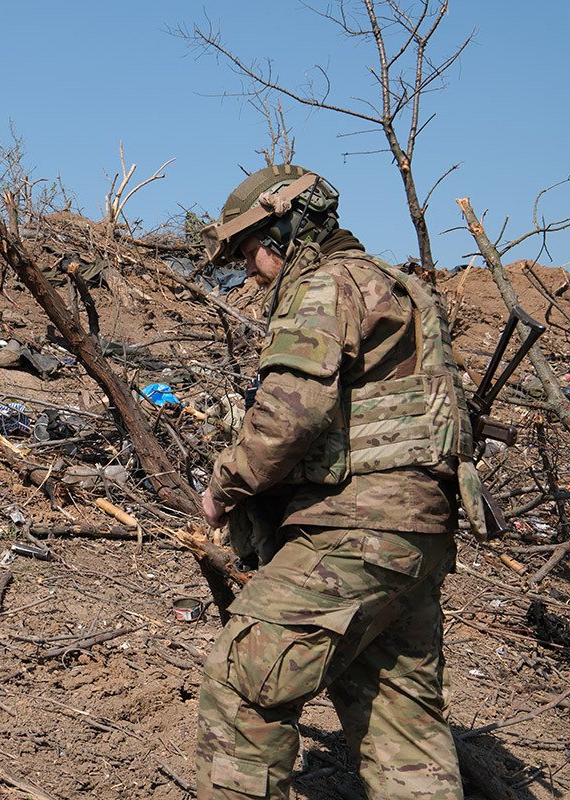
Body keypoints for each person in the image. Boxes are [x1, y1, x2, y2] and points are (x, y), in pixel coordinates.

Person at [192, 164, 478, 800]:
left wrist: (223, 488)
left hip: (358, 532)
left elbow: (289, 417)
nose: (248, 272)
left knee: (243, 684)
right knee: (401, 720)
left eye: (248, 253)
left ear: (284, 233)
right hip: (419, 538)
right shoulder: (399, 288)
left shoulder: (324, 287)